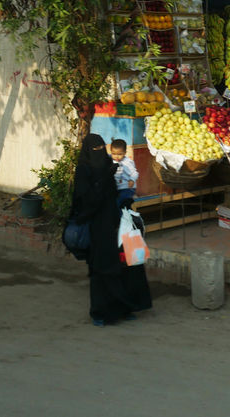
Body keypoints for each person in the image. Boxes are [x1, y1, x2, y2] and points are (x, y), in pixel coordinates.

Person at [70, 134, 152, 326]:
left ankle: (126, 307)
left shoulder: (111, 165)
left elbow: (121, 188)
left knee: (128, 266)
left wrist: (125, 198)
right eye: (94, 150)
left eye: (101, 149)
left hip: (118, 223)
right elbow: (84, 201)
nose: (99, 153)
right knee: (102, 271)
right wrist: (101, 184)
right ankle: (100, 313)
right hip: (98, 230)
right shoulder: (83, 170)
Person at [111, 139, 138, 207]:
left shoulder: (128, 162)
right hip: (117, 188)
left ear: (125, 153)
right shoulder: (111, 160)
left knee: (119, 202)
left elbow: (135, 173)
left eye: (120, 154)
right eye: (114, 154)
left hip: (127, 187)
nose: (116, 156)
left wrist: (132, 180)